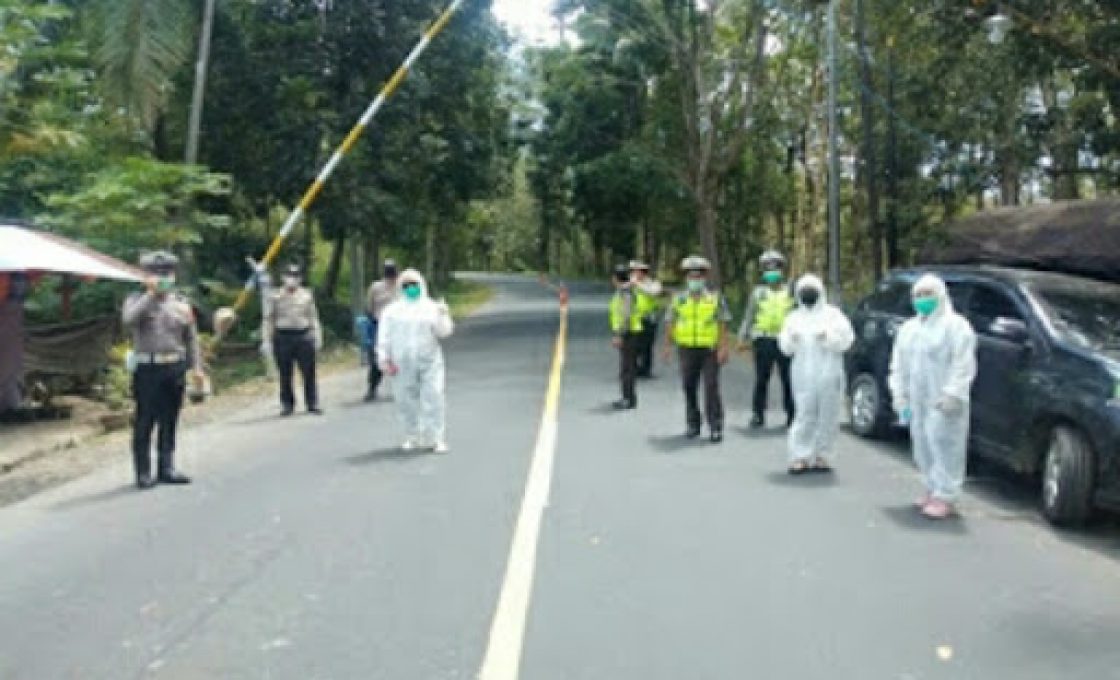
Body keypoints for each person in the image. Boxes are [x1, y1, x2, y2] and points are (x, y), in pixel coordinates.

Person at [889, 274, 977, 519]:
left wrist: (953, 394)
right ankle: (931, 487)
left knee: (946, 444)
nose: (923, 299)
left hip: (944, 399)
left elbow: (963, 364)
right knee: (922, 443)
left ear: (941, 295)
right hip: (918, 398)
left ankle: (946, 494)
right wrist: (900, 396)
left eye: (928, 294)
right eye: (918, 295)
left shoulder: (956, 327)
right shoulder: (909, 329)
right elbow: (899, 365)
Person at [121, 251, 202, 489]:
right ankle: (143, 471)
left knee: (170, 418)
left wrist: (197, 367)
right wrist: (150, 294)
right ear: (145, 277)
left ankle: (166, 467)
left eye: (166, 274)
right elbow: (128, 321)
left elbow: (191, 338)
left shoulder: (182, 303)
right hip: (148, 367)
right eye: (156, 275)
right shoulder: (136, 300)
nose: (162, 279)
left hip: (174, 366)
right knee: (145, 419)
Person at [779, 274, 855, 474]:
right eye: (804, 291)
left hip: (829, 373)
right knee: (804, 414)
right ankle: (800, 456)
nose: (807, 295)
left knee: (829, 415)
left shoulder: (834, 316)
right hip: (803, 374)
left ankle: (824, 455)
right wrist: (792, 340)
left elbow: (847, 341)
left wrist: (828, 338)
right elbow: (785, 348)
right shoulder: (793, 318)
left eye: (811, 290)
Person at [377, 269, 454, 452]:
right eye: (406, 285)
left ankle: (436, 438)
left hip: (430, 361)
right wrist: (383, 359)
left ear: (421, 285)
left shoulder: (432, 307)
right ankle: (411, 436)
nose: (411, 288)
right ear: (400, 287)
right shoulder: (392, 311)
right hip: (401, 362)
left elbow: (444, 332)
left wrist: (443, 315)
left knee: (434, 396)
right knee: (405, 400)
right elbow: (384, 337)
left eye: (414, 285)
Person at [662, 255, 732, 442]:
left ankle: (715, 426)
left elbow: (722, 323)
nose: (695, 281)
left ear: (705, 278)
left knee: (711, 386)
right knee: (689, 386)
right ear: (686, 279)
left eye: (698, 277)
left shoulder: (715, 299)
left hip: (709, 349)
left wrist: (724, 347)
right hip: (686, 349)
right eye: (691, 277)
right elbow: (670, 321)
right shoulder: (678, 300)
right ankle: (693, 423)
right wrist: (667, 345)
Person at [738, 249, 795, 428]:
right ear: (763, 272)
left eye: (775, 268)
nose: (771, 273)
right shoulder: (758, 293)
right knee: (762, 379)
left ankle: (792, 414)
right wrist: (742, 337)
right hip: (763, 340)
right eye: (767, 269)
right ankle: (758, 414)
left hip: (785, 341)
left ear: (781, 270)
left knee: (788, 379)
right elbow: (749, 316)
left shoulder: (790, 292)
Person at [262, 263, 323, 416]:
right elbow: (269, 319)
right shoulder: (276, 296)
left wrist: (317, 336)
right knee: (285, 373)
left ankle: (312, 403)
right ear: (283, 278)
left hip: (303, 335)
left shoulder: (306, 295)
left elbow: (313, 317)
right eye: (289, 276)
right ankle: (287, 405)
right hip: (283, 337)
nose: (292, 279)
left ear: (300, 279)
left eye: (295, 276)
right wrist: (266, 340)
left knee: (309, 372)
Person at [364, 259, 399, 402]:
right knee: (377, 358)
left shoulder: (402, 286)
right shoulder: (376, 287)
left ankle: (403, 388)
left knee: (400, 358)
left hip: (398, 326)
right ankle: (372, 388)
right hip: (379, 325)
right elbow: (369, 307)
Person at [610, 264, 642, 410]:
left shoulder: (625, 293)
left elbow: (626, 316)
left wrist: (619, 335)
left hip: (629, 333)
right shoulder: (624, 291)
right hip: (629, 332)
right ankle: (627, 397)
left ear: (616, 278)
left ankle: (628, 398)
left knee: (627, 368)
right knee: (627, 367)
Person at [630, 260, 663, 378]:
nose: (635, 274)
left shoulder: (653, 284)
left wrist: (638, 285)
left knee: (647, 345)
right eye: (633, 272)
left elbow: (654, 292)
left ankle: (646, 369)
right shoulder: (630, 285)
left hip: (649, 318)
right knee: (634, 344)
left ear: (644, 273)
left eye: (637, 272)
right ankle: (633, 368)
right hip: (634, 319)